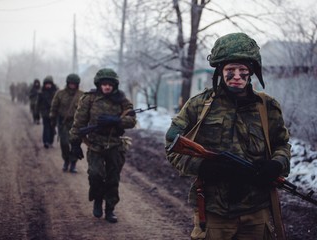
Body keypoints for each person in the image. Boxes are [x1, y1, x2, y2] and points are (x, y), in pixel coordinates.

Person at [165, 33, 291, 240]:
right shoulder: (199, 105)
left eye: (243, 71)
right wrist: (202, 167)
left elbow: (282, 144)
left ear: (252, 73)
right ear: (220, 72)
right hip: (214, 211)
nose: (237, 77)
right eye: (230, 71)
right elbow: (172, 145)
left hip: (256, 210)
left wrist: (276, 164)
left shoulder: (267, 107)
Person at [69, 68, 136, 223]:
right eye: (104, 84)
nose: (107, 87)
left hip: (114, 144)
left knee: (113, 179)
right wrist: (75, 144)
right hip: (95, 144)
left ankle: (110, 209)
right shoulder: (89, 99)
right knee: (95, 174)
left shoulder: (122, 100)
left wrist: (117, 121)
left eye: (110, 84)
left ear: (114, 85)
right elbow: (78, 123)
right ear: (99, 84)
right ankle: (98, 199)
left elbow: (132, 120)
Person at [50, 73, 83, 173]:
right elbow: (54, 106)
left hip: (77, 123)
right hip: (64, 122)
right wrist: (52, 117)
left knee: (75, 144)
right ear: (68, 83)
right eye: (71, 83)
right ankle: (66, 160)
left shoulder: (82, 95)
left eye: (74, 83)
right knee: (64, 143)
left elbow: (88, 109)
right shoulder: (60, 94)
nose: (72, 85)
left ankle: (73, 163)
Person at [37, 75, 58, 149]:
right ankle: (45, 141)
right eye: (47, 84)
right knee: (46, 127)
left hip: (54, 114)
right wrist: (38, 113)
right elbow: (38, 103)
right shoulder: (41, 92)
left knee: (52, 128)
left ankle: (50, 141)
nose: (48, 85)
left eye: (49, 84)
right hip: (45, 113)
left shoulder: (56, 92)